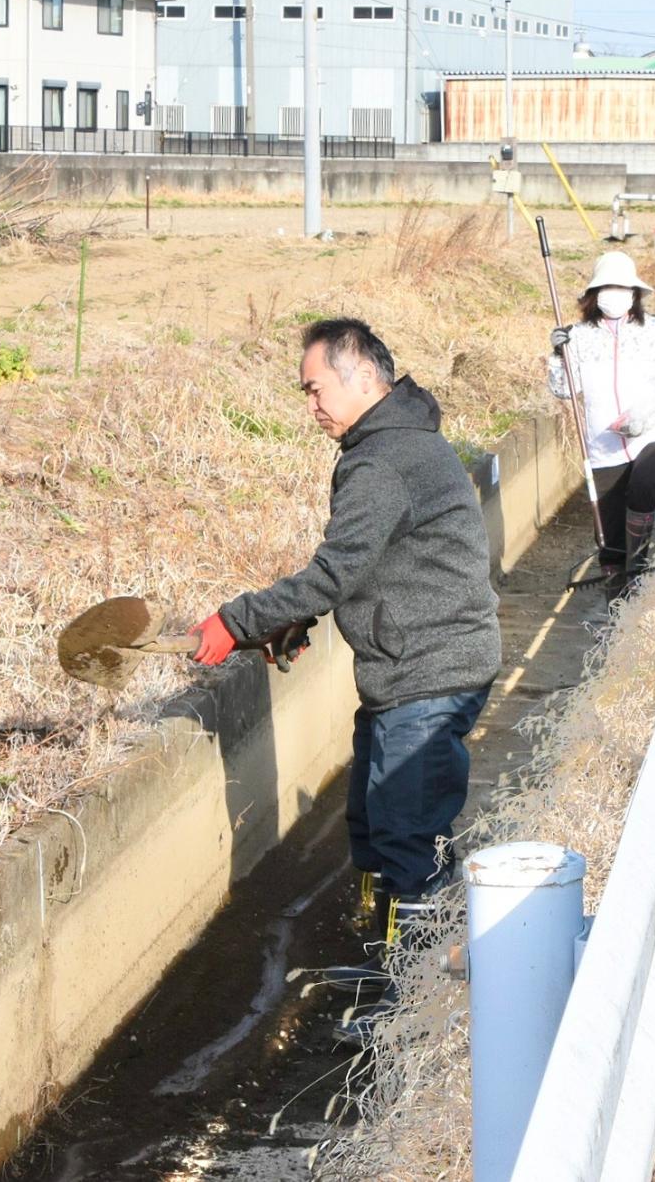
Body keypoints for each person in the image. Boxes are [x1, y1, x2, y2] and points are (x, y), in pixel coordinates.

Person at [190, 318, 501, 940]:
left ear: (360, 375)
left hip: (430, 670)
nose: (311, 406)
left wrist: (236, 619)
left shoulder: (384, 461)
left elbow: (334, 572)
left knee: (408, 841)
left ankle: (408, 1006)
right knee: (371, 820)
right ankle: (378, 954)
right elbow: (370, 563)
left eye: (314, 389)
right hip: (413, 663)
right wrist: (297, 618)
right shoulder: (397, 442)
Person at [549, 251, 655, 592]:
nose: (615, 294)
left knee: (644, 484)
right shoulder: (577, 337)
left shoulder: (654, 331)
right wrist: (558, 356)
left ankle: (640, 562)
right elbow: (564, 390)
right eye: (608, 287)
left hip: (653, 429)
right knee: (610, 537)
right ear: (594, 294)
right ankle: (616, 600)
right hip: (604, 443)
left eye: (623, 287)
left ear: (634, 293)